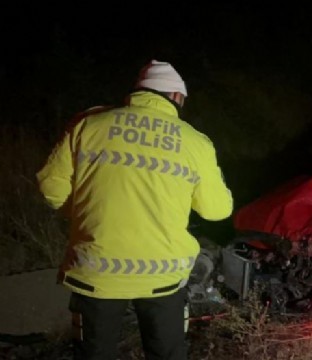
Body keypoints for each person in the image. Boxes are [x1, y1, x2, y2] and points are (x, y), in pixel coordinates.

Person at [36, 59, 233, 359]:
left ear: (138, 92)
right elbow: (217, 210)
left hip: (96, 273)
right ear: (177, 97)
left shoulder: (88, 125)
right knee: (167, 354)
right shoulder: (195, 142)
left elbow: (51, 187)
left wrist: (90, 214)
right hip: (163, 277)